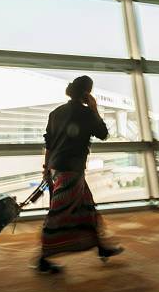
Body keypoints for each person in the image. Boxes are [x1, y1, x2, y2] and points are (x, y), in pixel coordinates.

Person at [37, 75, 124, 273]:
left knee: (88, 208)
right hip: (71, 170)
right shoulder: (86, 113)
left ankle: (102, 247)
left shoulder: (55, 113)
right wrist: (94, 109)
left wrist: (45, 169)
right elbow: (103, 133)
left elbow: (48, 144)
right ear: (87, 93)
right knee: (58, 214)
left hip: (57, 168)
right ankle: (42, 258)